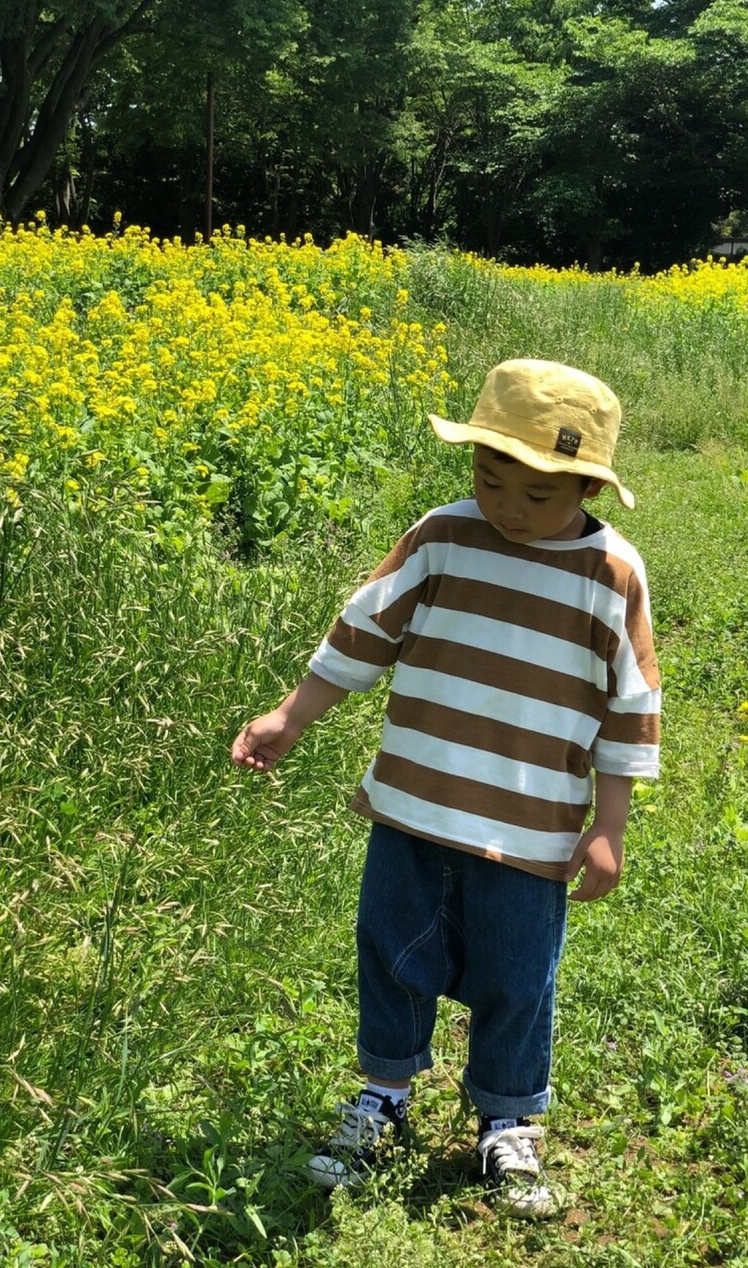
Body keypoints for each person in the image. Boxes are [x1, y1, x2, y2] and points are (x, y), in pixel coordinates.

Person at [230, 358, 660, 1219]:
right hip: (413, 804)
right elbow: (363, 634)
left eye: (537, 495)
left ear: (588, 487)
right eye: (489, 478)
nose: (507, 507)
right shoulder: (442, 537)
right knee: (391, 951)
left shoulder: (610, 573)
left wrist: (609, 824)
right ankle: (383, 1097)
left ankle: (507, 1120)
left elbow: (631, 708)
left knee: (517, 976)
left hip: (532, 827)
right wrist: (290, 716)